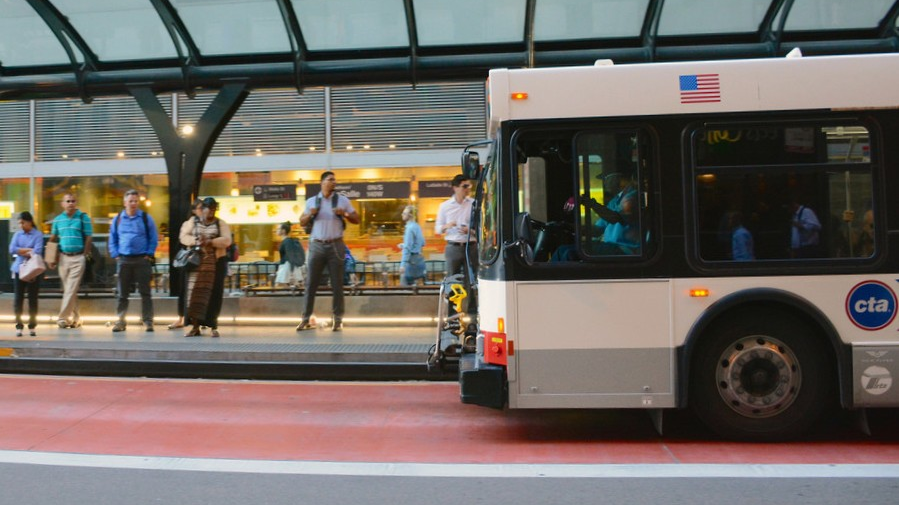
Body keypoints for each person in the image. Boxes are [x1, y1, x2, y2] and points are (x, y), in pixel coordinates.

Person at [297, 171, 360, 332]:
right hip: (316, 245)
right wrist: (310, 214)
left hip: (336, 245)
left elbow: (357, 219)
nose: (334, 182)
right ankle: (305, 319)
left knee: (337, 283)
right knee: (311, 283)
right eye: (330, 180)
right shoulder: (312, 201)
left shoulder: (342, 200)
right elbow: (302, 222)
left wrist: (344, 213)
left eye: (334, 180)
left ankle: (337, 319)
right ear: (322, 183)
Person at [179, 197, 232, 338]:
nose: (211, 212)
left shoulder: (221, 224)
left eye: (214, 209)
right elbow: (183, 236)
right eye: (208, 208)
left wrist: (211, 241)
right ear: (203, 209)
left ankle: (213, 326)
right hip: (195, 264)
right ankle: (195, 326)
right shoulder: (193, 222)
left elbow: (227, 240)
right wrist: (196, 241)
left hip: (214, 264)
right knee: (194, 295)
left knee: (213, 295)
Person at [108, 189, 159, 332]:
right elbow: (112, 238)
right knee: (122, 294)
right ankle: (120, 321)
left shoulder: (145, 218)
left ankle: (148, 321)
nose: (133, 203)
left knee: (145, 293)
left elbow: (153, 238)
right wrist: (115, 254)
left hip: (141, 259)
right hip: (124, 260)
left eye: (136, 201)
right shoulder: (118, 219)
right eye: (130, 201)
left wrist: (149, 254)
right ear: (125, 203)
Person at [47, 192, 92, 329]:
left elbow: (89, 237)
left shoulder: (83, 218)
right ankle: (77, 318)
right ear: (62, 204)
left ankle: (62, 318)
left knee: (71, 288)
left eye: (73, 201)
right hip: (63, 258)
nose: (70, 203)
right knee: (69, 290)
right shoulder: (58, 220)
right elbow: (53, 238)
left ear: (76, 203)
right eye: (68, 201)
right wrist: (50, 258)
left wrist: (84, 255)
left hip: (78, 258)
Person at [435, 174, 478, 314]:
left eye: (469, 186)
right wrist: (447, 225)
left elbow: (482, 227)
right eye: (465, 186)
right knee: (452, 280)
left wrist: (470, 230)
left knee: (471, 280)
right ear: (455, 188)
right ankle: (452, 314)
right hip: (453, 246)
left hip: (470, 246)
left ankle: (471, 313)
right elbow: (437, 228)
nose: (467, 189)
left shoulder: (473, 204)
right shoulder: (445, 206)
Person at [579, 170, 639, 255]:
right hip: (611, 246)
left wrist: (592, 204)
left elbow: (614, 218)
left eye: (606, 178)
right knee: (565, 250)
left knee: (571, 253)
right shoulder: (614, 201)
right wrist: (573, 228)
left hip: (625, 249)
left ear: (618, 178)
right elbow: (598, 230)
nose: (604, 183)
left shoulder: (632, 197)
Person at [169, 199, 205, 330]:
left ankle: (200, 319)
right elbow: (183, 237)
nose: (203, 210)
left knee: (202, 291)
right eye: (200, 208)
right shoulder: (189, 223)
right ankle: (181, 317)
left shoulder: (210, 222)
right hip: (191, 261)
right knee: (184, 290)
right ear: (194, 210)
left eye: (204, 208)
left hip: (205, 260)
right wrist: (196, 240)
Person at [9, 211, 44, 337]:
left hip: (33, 270)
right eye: (19, 223)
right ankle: (19, 325)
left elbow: (38, 251)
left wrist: (21, 251)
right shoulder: (17, 235)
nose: (21, 225)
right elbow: (12, 249)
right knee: (18, 298)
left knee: (32, 299)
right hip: (19, 269)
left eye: (22, 222)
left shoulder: (38, 234)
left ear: (29, 222)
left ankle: (32, 325)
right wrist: (29, 250)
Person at [398, 205, 426, 286]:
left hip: (410, 261)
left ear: (410, 216)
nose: (402, 215)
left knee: (404, 288)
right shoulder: (417, 226)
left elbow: (407, 248)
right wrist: (404, 245)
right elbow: (423, 243)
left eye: (404, 213)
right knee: (417, 288)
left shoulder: (409, 228)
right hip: (418, 260)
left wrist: (402, 265)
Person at [275, 221, 306, 287]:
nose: (276, 230)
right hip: (287, 266)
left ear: (283, 231)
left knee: (282, 285)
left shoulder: (287, 242)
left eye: (278, 229)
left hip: (287, 267)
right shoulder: (287, 241)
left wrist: (291, 271)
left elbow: (290, 256)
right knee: (282, 286)